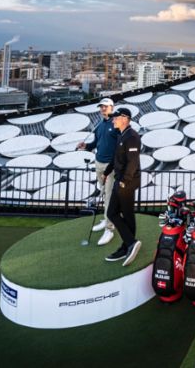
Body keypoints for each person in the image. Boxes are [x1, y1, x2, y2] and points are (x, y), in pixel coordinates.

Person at [103, 107, 142, 265]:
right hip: (121, 180)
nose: (113, 120)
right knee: (115, 212)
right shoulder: (122, 135)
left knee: (122, 213)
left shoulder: (132, 137)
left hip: (127, 182)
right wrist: (107, 172)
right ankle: (130, 243)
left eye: (116, 117)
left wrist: (124, 181)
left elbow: (132, 163)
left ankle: (129, 244)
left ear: (125, 119)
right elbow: (116, 158)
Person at [78, 98, 119, 246]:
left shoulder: (116, 124)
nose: (102, 109)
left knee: (108, 196)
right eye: (101, 107)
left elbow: (120, 147)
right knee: (102, 192)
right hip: (98, 162)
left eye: (105, 107)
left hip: (110, 166)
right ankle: (106, 219)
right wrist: (86, 146)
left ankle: (109, 229)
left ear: (112, 108)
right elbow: (97, 143)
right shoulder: (100, 124)